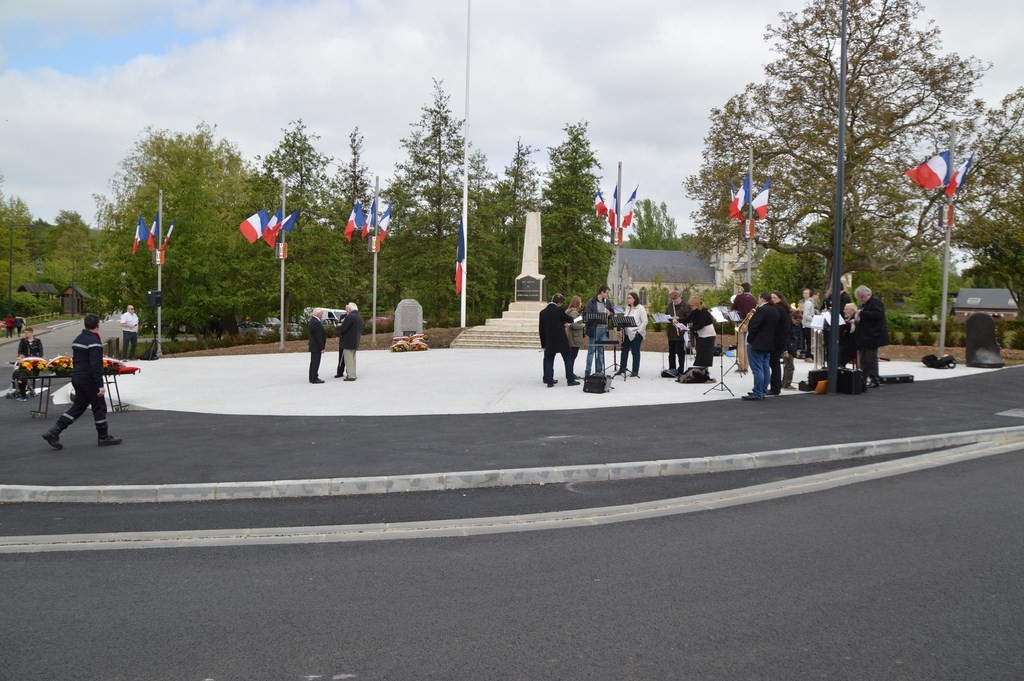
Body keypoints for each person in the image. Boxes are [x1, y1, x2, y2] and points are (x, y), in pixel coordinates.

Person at [41, 313, 121, 449]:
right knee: (99, 406)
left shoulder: (78, 339)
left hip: (78, 377)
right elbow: (95, 365)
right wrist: (100, 385)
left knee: (78, 407)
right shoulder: (94, 342)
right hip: (89, 378)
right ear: (97, 325)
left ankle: (54, 431)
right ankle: (103, 436)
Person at [742, 292, 779, 401]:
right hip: (768, 343)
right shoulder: (775, 310)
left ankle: (757, 392)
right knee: (765, 367)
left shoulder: (762, 310)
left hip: (757, 343)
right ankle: (762, 390)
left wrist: (749, 339)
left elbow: (754, 326)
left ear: (762, 299)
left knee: (757, 368)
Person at [539, 294, 579, 388]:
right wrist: (564, 322)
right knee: (567, 358)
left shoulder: (542, 312)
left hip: (549, 340)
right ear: (559, 303)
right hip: (561, 340)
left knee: (549, 359)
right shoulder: (559, 310)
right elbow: (569, 319)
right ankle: (570, 380)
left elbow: (541, 330)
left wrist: (543, 344)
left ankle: (549, 381)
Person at [854, 285, 888, 388]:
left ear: (864, 296)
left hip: (873, 335)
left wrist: (862, 313)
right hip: (866, 336)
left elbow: (878, 315)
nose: (860, 300)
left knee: (871, 358)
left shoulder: (875, 302)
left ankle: (874, 378)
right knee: (865, 358)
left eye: (860, 298)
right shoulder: (865, 304)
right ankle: (864, 377)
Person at [615, 292, 648, 378]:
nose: (628, 299)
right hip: (626, 333)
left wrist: (639, 332)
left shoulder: (640, 308)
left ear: (634, 299)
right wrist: (621, 329)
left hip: (636, 333)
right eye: (627, 298)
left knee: (635, 352)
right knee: (624, 351)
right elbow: (625, 320)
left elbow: (645, 321)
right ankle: (622, 368)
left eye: (629, 298)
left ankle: (635, 371)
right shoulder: (627, 308)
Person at [584, 285, 614, 376]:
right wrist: (598, 315)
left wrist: (609, 313)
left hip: (604, 328)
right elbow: (587, 315)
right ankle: (587, 371)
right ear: (602, 292)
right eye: (607, 293)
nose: (608, 295)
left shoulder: (607, 302)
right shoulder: (591, 302)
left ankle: (599, 370)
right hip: (595, 328)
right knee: (591, 350)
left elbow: (613, 313)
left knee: (601, 350)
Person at [768, 290, 792, 395]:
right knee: (775, 363)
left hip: (777, 340)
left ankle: (775, 388)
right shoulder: (784, 309)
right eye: (771, 298)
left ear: (780, 299)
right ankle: (775, 386)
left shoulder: (778, 309)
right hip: (781, 339)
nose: (772, 299)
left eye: (775, 298)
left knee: (774, 363)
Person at [14, 326, 44, 401]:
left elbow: (41, 351)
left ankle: (32, 389)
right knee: (24, 375)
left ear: (31, 333)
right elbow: (20, 351)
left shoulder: (37, 341)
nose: (25, 334)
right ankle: (24, 390)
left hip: (34, 361)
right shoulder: (23, 341)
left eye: (27, 333)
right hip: (25, 361)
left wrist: (38, 358)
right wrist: (21, 357)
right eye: (25, 333)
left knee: (34, 375)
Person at [687, 294, 716, 370]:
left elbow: (701, 325)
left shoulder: (704, 312)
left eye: (692, 305)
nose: (691, 307)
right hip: (701, 335)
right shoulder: (695, 312)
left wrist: (690, 329)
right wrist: (678, 320)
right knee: (700, 353)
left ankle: (705, 371)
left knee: (705, 354)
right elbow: (687, 319)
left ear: (697, 304)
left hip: (709, 336)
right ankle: (701, 370)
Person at [336, 302, 363, 381]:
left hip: (348, 341)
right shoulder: (358, 317)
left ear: (351, 309)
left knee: (349, 359)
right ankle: (353, 373)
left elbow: (343, 328)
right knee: (353, 359)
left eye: (347, 308)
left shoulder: (350, 317)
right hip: (355, 341)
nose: (346, 310)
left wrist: (338, 327)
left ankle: (351, 376)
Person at [665, 291, 691, 373]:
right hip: (671, 332)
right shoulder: (669, 306)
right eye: (673, 299)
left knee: (680, 353)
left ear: (680, 297)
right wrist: (670, 318)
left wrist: (679, 318)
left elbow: (689, 318)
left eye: (676, 298)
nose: (674, 300)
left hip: (681, 332)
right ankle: (672, 369)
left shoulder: (686, 306)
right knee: (671, 352)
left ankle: (681, 370)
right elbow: (666, 316)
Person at [564, 295, 586, 380]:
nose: (581, 303)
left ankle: (570, 373)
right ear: (577, 303)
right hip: (573, 338)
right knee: (572, 357)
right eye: (580, 302)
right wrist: (582, 325)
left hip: (570, 337)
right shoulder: (574, 313)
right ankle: (570, 374)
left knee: (571, 357)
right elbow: (573, 325)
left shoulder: (568, 311)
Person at [782, 310, 802, 390]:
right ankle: (787, 383)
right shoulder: (788, 326)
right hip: (788, 348)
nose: (797, 323)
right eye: (796, 321)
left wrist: (799, 349)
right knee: (790, 367)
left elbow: (800, 337)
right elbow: (785, 338)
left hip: (793, 347)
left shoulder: (798, 325)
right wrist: (785, 350)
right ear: (792, 318)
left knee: (787, 366)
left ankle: (784, 382)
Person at [307, 308, 326, 384]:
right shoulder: (316, 323)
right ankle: (314, 378)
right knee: (316, 362)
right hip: (316, 346)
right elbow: (319, 336)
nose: (322, 315)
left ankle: (312, 377)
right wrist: (322, 347)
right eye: (321, 313)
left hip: (313, 345)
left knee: (313, 362)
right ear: (317, 314)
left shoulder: (312, 321)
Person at [839, 302, 859, 368]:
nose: (844, 311)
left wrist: (843, 325)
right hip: (847, 341)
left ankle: (841, 366)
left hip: (852, 343)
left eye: (846, 309)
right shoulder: (849, 317)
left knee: (842, 350)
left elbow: (851, 330)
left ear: (852, 310)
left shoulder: (855, 318)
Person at [801, 289, 818, 359]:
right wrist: (815, 319)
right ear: (813, 295)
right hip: (808, 325)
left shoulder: (812, 303)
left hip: (810, 324)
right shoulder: (809, 303)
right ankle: (808, 356)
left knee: (810, 341)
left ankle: (809, 355)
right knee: (809, 342)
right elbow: (806, 315)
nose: (818, 297)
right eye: (817, 295)